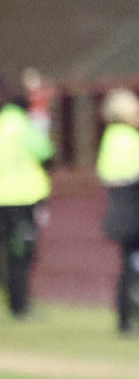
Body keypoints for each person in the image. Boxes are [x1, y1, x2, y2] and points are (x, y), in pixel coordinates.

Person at [97, 90, 139, 334]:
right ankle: (138, 317)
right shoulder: (130, 138)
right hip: (134, 211)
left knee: (129, 266)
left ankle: (127, 319)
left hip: (119, 210)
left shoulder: (109, 138)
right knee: (136, 266)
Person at [0, 77, 54, 319]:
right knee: (21, 254)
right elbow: (47, 154)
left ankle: (11, 298)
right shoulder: (24, 126)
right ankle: (20, 306)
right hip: (22, 198)